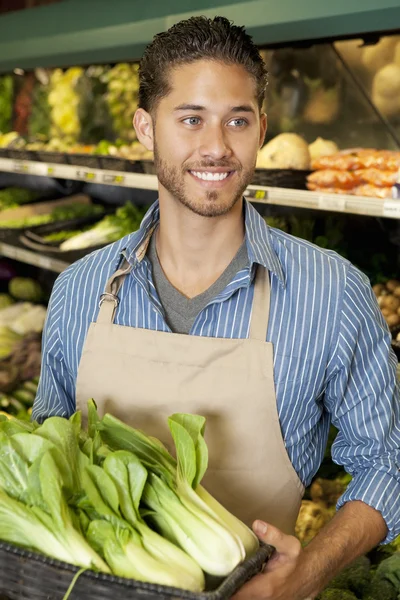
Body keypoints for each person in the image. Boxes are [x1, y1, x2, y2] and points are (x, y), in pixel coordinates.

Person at [33, 16, 400, 600]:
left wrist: (308, 571)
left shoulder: (333, 294)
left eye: (237, 120)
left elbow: (389, 464)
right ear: (146, 129)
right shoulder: (79, 291)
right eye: (191, 119)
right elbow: (45, 454)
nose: (216, 147)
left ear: (261, 128)